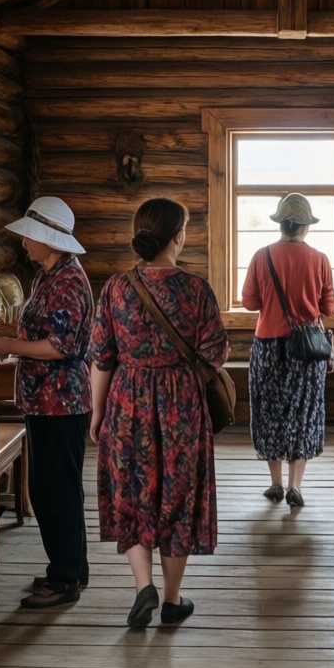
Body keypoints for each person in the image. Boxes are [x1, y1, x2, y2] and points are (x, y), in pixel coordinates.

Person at [90, 197, 228, 628]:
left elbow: (101, 357)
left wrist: (97, 414)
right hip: (181, 406)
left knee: (132, 492)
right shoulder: (197, 289)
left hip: (127, 401)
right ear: (178, 237)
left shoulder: (115, 287)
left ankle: (142, 587)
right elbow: (216, 353)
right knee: (178, 497)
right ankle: (171, 600)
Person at [0, 197, 93, 610]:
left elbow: (59, 345)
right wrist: (10, 329)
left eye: (29, 236)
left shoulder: (66, 283)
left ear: (47, 240)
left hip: (60, 402)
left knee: (54, 492)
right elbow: (46, 329)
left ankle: (65, 578)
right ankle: (70, 567)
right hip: (47, 401)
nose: (23, 242)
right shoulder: (50, 275)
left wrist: (9, 344)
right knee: (57, 489)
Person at [241, 193, 334, 508]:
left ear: (281, 224)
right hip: (306, 349)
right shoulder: (320, 259)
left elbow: (250, 302)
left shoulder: (261, 256)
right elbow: (329, 307)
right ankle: (296, 486)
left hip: (267, 344)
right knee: (303, 412)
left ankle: (276, 483)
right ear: (306, 227)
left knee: (269, 412)